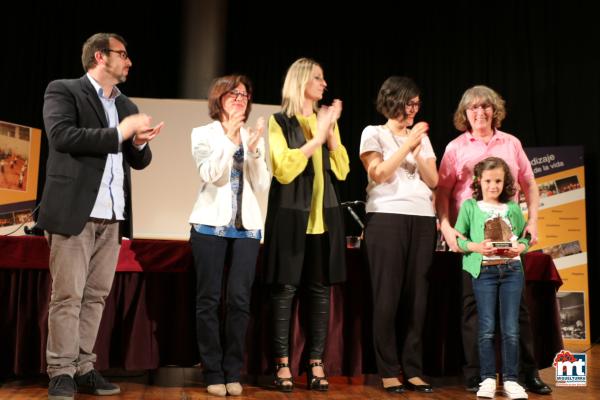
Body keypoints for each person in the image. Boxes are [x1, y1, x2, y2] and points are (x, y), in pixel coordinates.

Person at [37, 33, 163, 400]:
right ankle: (60, 371)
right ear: (99, 56)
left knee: (95, 297)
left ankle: (83, 367)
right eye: (123, 54)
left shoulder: (125, 104)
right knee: (68, 296)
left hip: (112, 215)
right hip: (74, 212)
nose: (129, 62)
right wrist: (118, 134)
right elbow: (62, 136)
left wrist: (138, 143)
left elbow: (136, 160)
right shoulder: (64, 90)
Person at [436, 85, 551, 394]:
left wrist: (534, 222)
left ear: (495, 109)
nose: (480, 112)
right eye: (473, 107)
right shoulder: (455, 147)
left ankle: (527, 374)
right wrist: (447, 229)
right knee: (473, 310)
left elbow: (529, 183)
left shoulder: (511, 143)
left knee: (519, 312)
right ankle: (478, 374)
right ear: (465, 113)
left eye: (485, 106)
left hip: (510, 241)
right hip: (473, 243)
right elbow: (443, 192)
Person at [263, 57, 349, 392]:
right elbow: (284, 168)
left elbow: (341, 170)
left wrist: (330, 135)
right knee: (284, 289)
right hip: (290, 216)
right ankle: (282, 364)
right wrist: (319, 135)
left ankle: (315, 361)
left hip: (323, 220)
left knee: (319, 290)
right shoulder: (279, 121)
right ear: (300, 81)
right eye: (318, 77)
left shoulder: (326, 120)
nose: (324, 84)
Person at [188, 75, 270, 397]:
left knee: (239, 300)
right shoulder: (202, 134)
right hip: (209, 226)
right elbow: (211, 175)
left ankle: (232, 370)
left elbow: (261, 185)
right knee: (208, 300)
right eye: (234, 93)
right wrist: (231, 138)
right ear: (219, 98)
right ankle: (211, 371)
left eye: (245, 94)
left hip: (247, 228)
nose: (240, 98)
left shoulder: (254, 136)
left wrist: (253, 151)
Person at [359, 76, 438, 394]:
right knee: (387, 296)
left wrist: (418, 150)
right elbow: (378, 172)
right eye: (410, 102)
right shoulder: (373, 133)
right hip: (386, 217)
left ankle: (414, 368)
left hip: (422, 219)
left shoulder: (421, 138)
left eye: (417, 103)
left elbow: (434, 180)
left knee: (417, 298)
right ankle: (389, 370)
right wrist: (407, 144)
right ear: (393, 101)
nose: (414, 108)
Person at [454, 157, 530, 400]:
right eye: (488, 181)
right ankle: (487, 378)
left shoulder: (513, 208)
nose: (493, 185)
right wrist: (477, 247)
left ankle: (511, 380)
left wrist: (521, 248)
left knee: (510, 329)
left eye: (498, 180)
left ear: (505, 181)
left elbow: (524, 238)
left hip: (511, 272)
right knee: (486, 327)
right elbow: (458, 239)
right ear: (479, 181)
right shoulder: (470, 207)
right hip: (484, 273)